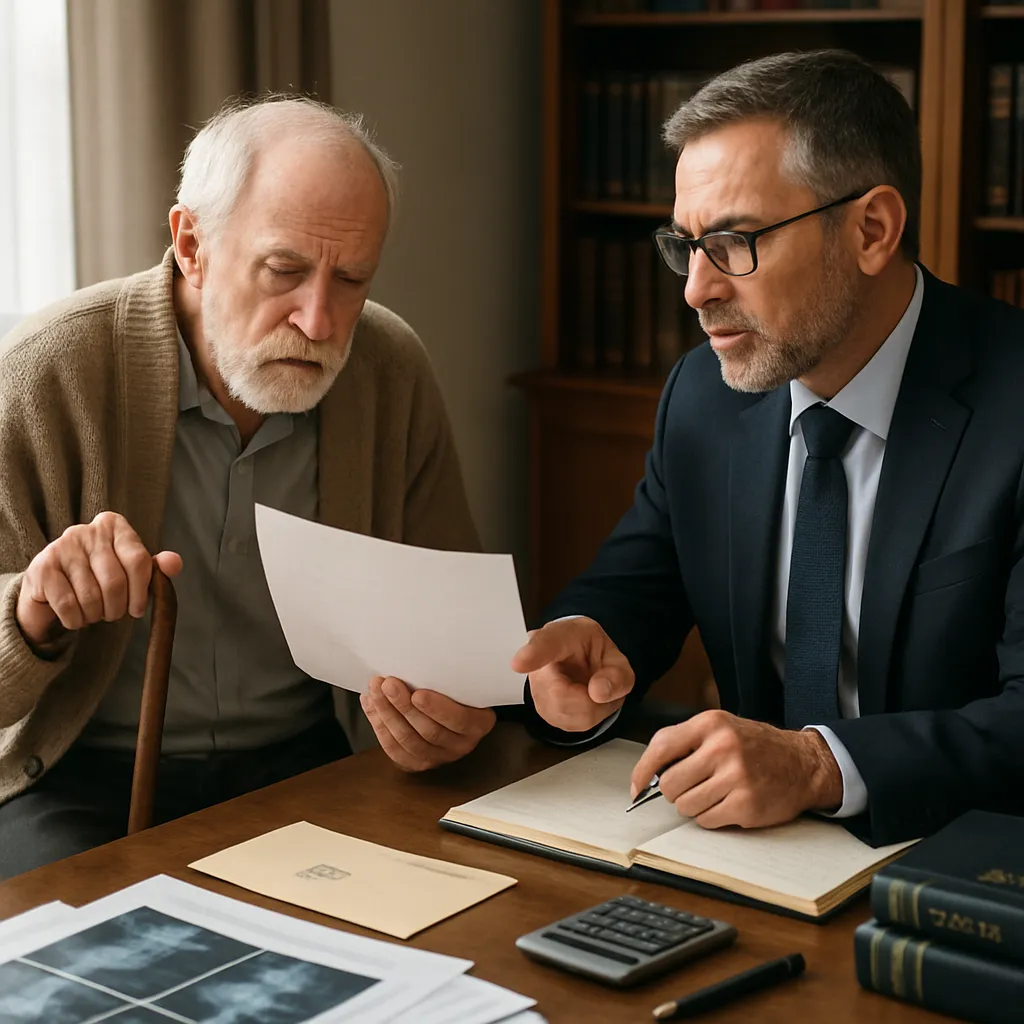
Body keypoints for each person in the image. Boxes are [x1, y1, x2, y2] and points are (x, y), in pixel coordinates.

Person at [372, 49, 1024, 847]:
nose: (696, 289)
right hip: (752, 860)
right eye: (684, 245)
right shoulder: (705, 398)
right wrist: (585, 660)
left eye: (736, 242)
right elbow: (633, 593)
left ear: (872, 229)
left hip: (962, 870)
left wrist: (819, 765)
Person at [0, 95, 487, 878]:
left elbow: (457, 639)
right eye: (284, 271)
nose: (321, 321)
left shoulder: (390, 370)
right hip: (78, 776)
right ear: (192, 244)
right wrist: (32, 616)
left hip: (314, 761)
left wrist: (453, 714)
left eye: (353, 277)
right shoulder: (50, 371)